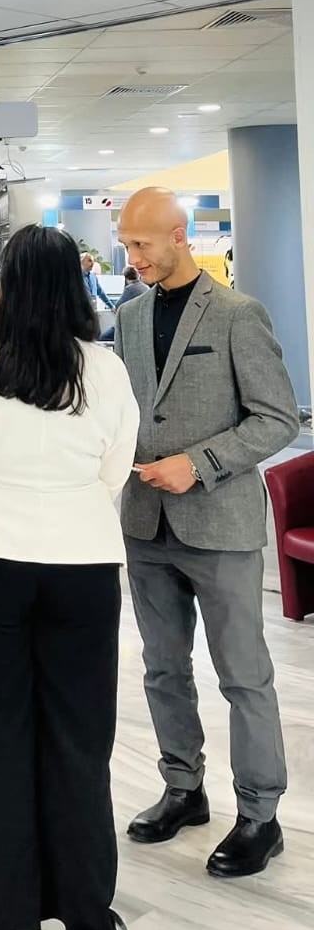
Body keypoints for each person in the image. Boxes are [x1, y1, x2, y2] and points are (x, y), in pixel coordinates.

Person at [0, 226, 139, 930]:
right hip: (82, 561)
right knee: (80, 739)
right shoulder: (104, 369)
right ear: (75, 284)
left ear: (8, 284)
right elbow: (114, 469)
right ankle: (90, 917)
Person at [115, 187, 299, 879]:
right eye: (126, 245)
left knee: (243, 676)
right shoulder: (129, 318)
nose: (132, 258)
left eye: (142, 244)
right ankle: (183, 789)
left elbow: (277, 417)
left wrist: (199, 464)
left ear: (178, 235)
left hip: (220, 523)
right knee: (163, 668)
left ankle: (260, 814)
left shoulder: (237, 314)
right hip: (145, 523)